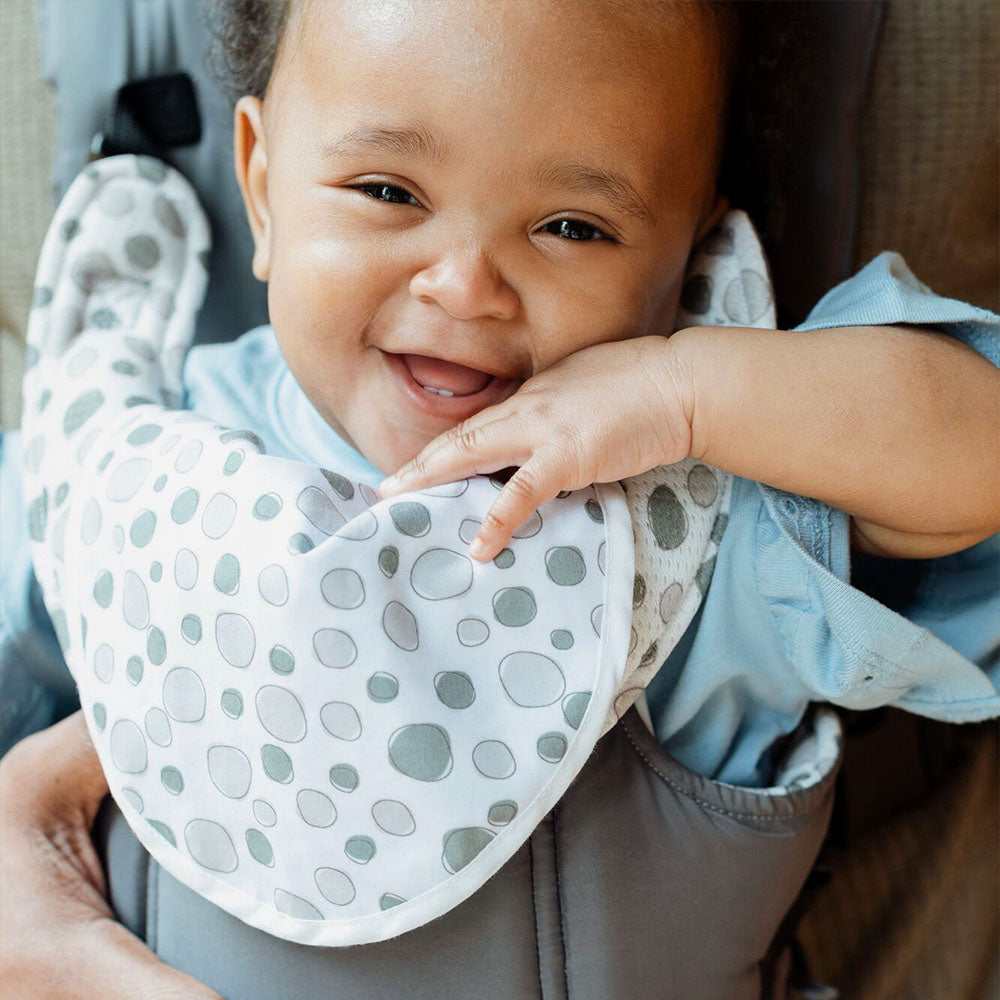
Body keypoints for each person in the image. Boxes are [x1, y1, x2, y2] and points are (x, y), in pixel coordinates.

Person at [1, 0, 997, 996]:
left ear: (689, 256)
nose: (467, 284)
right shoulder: (136, 464)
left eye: (573, 226)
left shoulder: (695, 520)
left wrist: (691, 393)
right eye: (387, 189)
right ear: (262, 187)